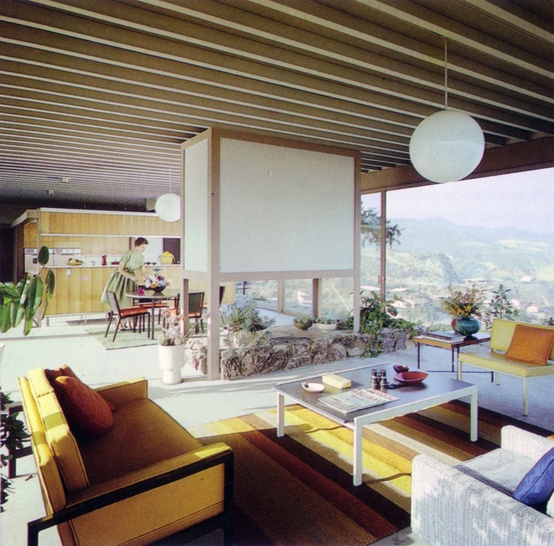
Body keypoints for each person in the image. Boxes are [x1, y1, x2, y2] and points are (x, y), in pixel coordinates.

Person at [101, 237, 149, 310]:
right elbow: (121, 269)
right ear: (137, 245)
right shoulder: (128, 254)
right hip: (121, 278)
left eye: (145, 247)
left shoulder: (141, 257)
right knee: (119, 298)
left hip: (131, 279)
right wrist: (131, 277)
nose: (144, 249)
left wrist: (150, 276)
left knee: (130, 300)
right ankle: (120, 316)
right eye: (142, 247)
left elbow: (143, 271)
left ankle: (128, 319)